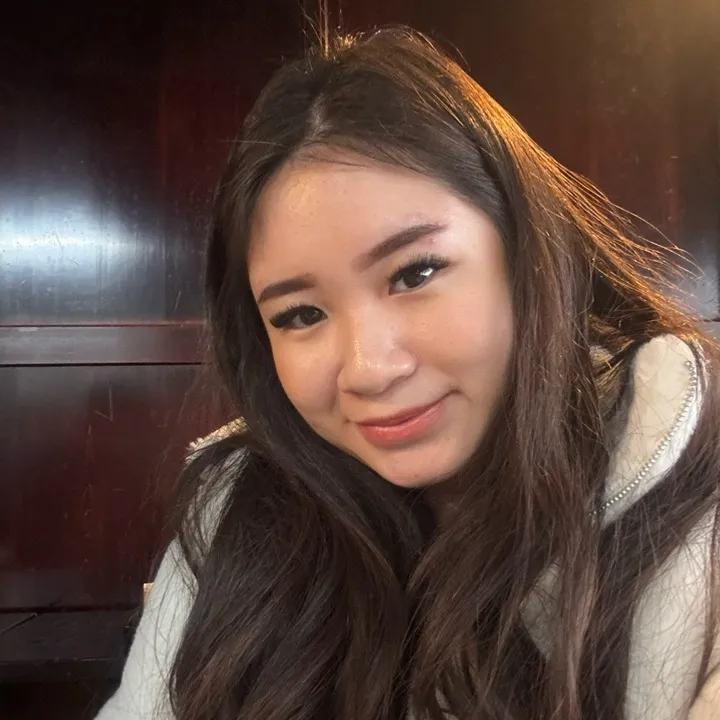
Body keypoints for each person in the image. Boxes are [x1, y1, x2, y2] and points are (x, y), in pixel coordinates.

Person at [96, 26, 720, 720]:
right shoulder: (237, 512)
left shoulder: (699, 502)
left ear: (526, 255)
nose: (370, 369)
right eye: (301, 315)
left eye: (415, 273)